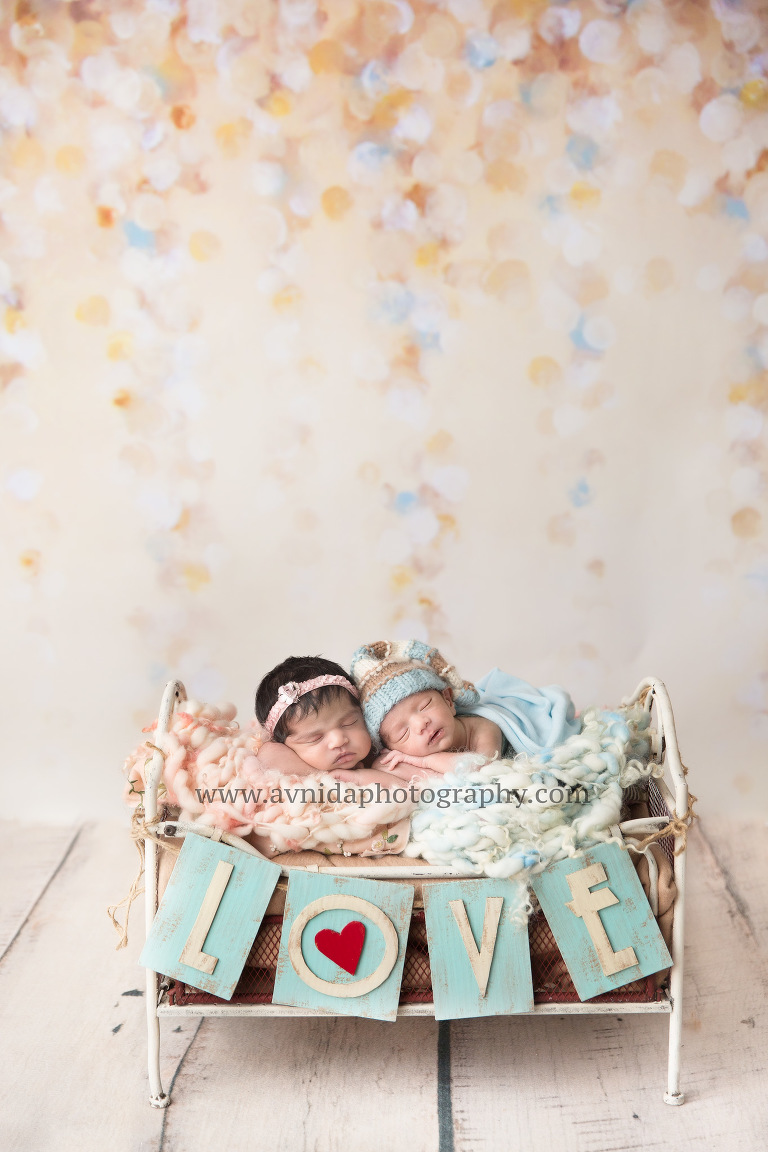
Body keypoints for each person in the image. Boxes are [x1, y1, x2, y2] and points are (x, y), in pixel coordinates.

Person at [349, 639, 581, 779]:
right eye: (403, 732)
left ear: (449, 701)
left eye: (425, 706)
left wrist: (425, 762)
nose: (421, 724)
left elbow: (481, 770)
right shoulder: (401, 755)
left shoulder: (483, 729)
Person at [254, 654, 401, 790]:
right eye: (315, 738)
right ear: (284, 745)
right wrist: (323, 775)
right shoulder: (292, 765)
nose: (338, 741)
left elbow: (411, 787)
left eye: (349, 723)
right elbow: (268, 755)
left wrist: (359, 777)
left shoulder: (384, 756)